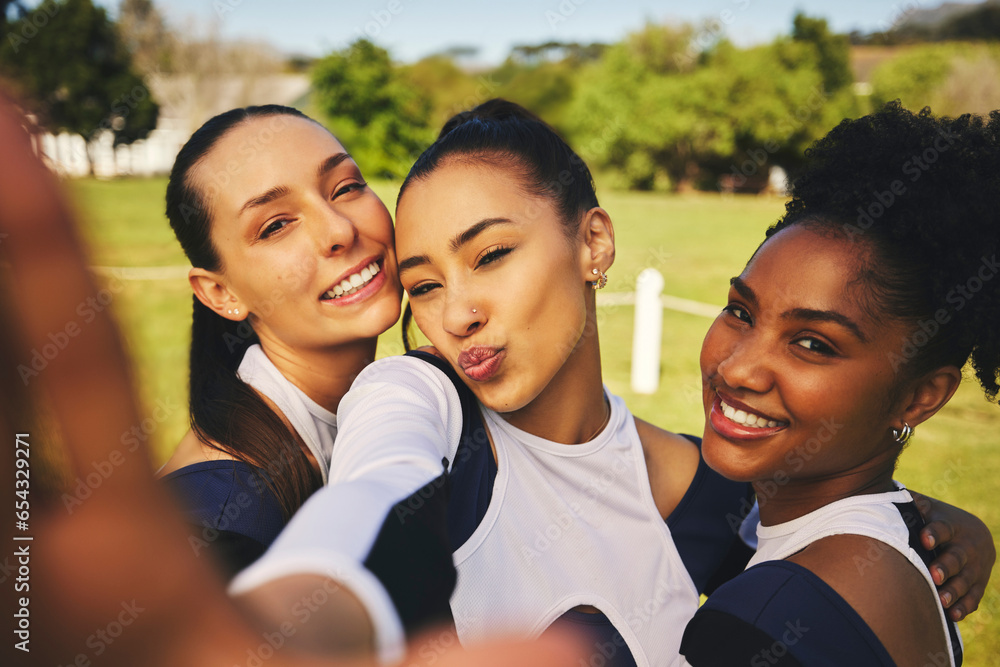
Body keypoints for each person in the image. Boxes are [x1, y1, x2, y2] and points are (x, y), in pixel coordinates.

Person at [230, 100, 995, 666]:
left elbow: (833, 524)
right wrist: (314, 601)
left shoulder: (712, 497)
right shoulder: (416, 398)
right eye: (424, 285)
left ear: (593, 241)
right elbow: (377, 487)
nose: (457, 313)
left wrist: (940, 523)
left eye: (491, 255)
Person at [0, 92, 588, 667]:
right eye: (276, 224)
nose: (337, 229)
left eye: (346, 187)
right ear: (220, 293)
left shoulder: (440, 394)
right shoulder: (221, 512)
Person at [679, 102, 999, 665]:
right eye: (741, 312)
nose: (736, 369)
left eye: (813, 344)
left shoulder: (767, 619)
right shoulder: (897, 537)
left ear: (919, 396)